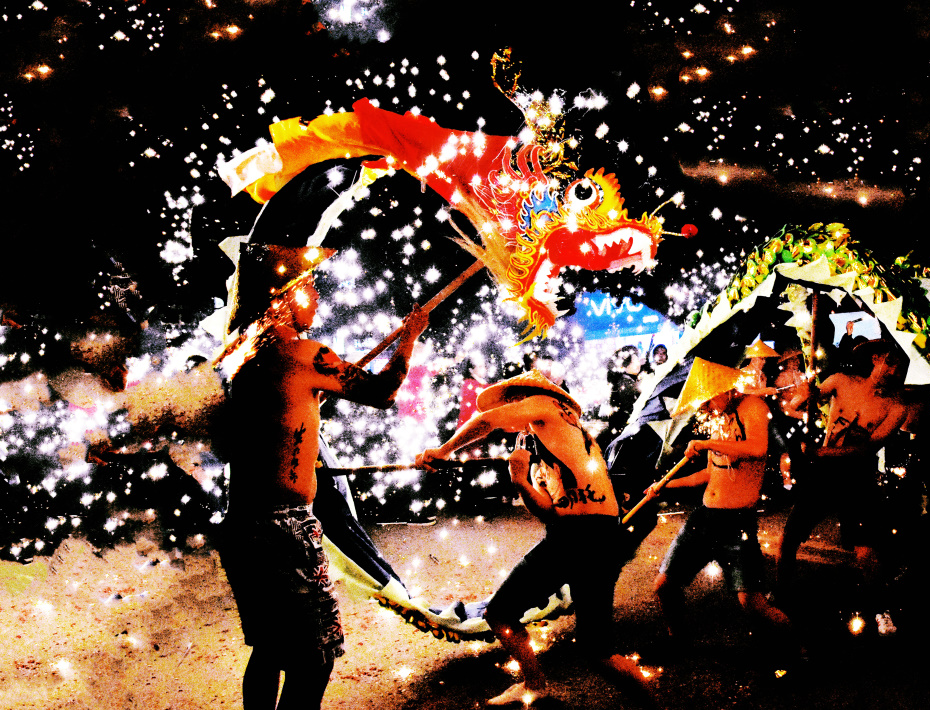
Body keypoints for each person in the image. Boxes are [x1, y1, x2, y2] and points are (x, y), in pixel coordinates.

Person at [219, 246, 432, 710]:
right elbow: (382, 392)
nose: (316, 297)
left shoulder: (244, 360)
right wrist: (409, 337)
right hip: (282, 529)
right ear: (281, 298)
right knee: (313, 657)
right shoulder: (303, 354)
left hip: (240, 526)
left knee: (270, 649)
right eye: (308, 287)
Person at [415, 369, 652, 706]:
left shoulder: (544, 404)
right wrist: (521, 479)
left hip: (579, 537)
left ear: (523, 398)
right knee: (598, 652)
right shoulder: (557, 436)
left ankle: (535, 684)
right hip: (592, 536)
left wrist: (444, 450)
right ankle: (644, 704)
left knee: (500, 614)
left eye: (511, 401)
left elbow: (487, 421)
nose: (508, 409)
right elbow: (549, 512)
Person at [647, 368, 795, 653]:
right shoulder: (719, 417)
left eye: (709, 398)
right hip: (704, 517)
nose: (707, 406)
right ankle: (677, 640)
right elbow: (710, 472)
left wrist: (707, 443)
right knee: (664, 585)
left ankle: (798, 649)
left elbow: (757, 448)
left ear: (724, 388)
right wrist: (665, 485)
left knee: (751, 603)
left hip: (737, 522)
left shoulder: (754, 406)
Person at [775, 339, 924, 623]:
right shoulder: (841, 381)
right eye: (890, 363)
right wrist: (805, 394)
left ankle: (879, 609)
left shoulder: (896, 407)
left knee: (865, 551)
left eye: (900, 366)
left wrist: (820, 452)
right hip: (822, 473)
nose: (894, 371)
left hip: (857, 477)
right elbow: (798, 404)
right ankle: (780, 594)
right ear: (876, 358)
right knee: (789, 537)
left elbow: (867, 449)